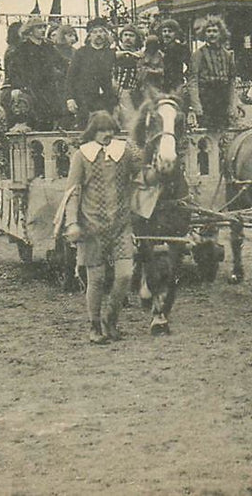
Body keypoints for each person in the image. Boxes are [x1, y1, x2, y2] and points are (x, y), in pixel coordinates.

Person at [61, 111, 143, 344]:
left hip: (120, 225)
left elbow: (143, 169)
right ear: (93, 132)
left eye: (110, 130)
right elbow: (73, 191)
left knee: (125, 275)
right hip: (92, 227)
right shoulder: (81, 155)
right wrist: (73, 222)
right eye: (102, 130)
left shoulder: (123, 152)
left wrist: (143, 150)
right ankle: (95, 326)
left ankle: (111, 319)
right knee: (96, 279)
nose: (107, 134)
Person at [65, 18, 117, 129]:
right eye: (95, 32)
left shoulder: (111, 54)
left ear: (106, 34)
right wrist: (70, 98)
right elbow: (70, 77)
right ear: (89, 36)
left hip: (106, 100)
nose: (98, 35)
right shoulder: (81, 53)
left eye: (101, 31)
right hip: (84, 100)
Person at [188, 15, 237, 130]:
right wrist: (196, 105)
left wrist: (232, 104)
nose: (212, 34)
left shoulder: (228, 55)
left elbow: (231, 82)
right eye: (208, 31)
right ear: (204, 34)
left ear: (221, 33)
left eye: (215, 31)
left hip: (222, 99)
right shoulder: (198, 55)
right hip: (206, 100)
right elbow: (193, 81)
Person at [113, 24, 144, 126]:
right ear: (121, 37)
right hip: (113, 92)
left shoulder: (140, 55)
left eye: (131, 35)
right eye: (125, 35)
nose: (128, 38)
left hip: (131, 93)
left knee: (130, 122)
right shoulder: (113, 51)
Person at [157, 19, 189, 94]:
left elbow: (190, 66)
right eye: (164, 31)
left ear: (176, 33)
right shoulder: (158, 48)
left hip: (176, 85)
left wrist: (185, 81)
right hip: (159, 85)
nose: (166, 34)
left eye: (170, 31)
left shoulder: (181, 49)